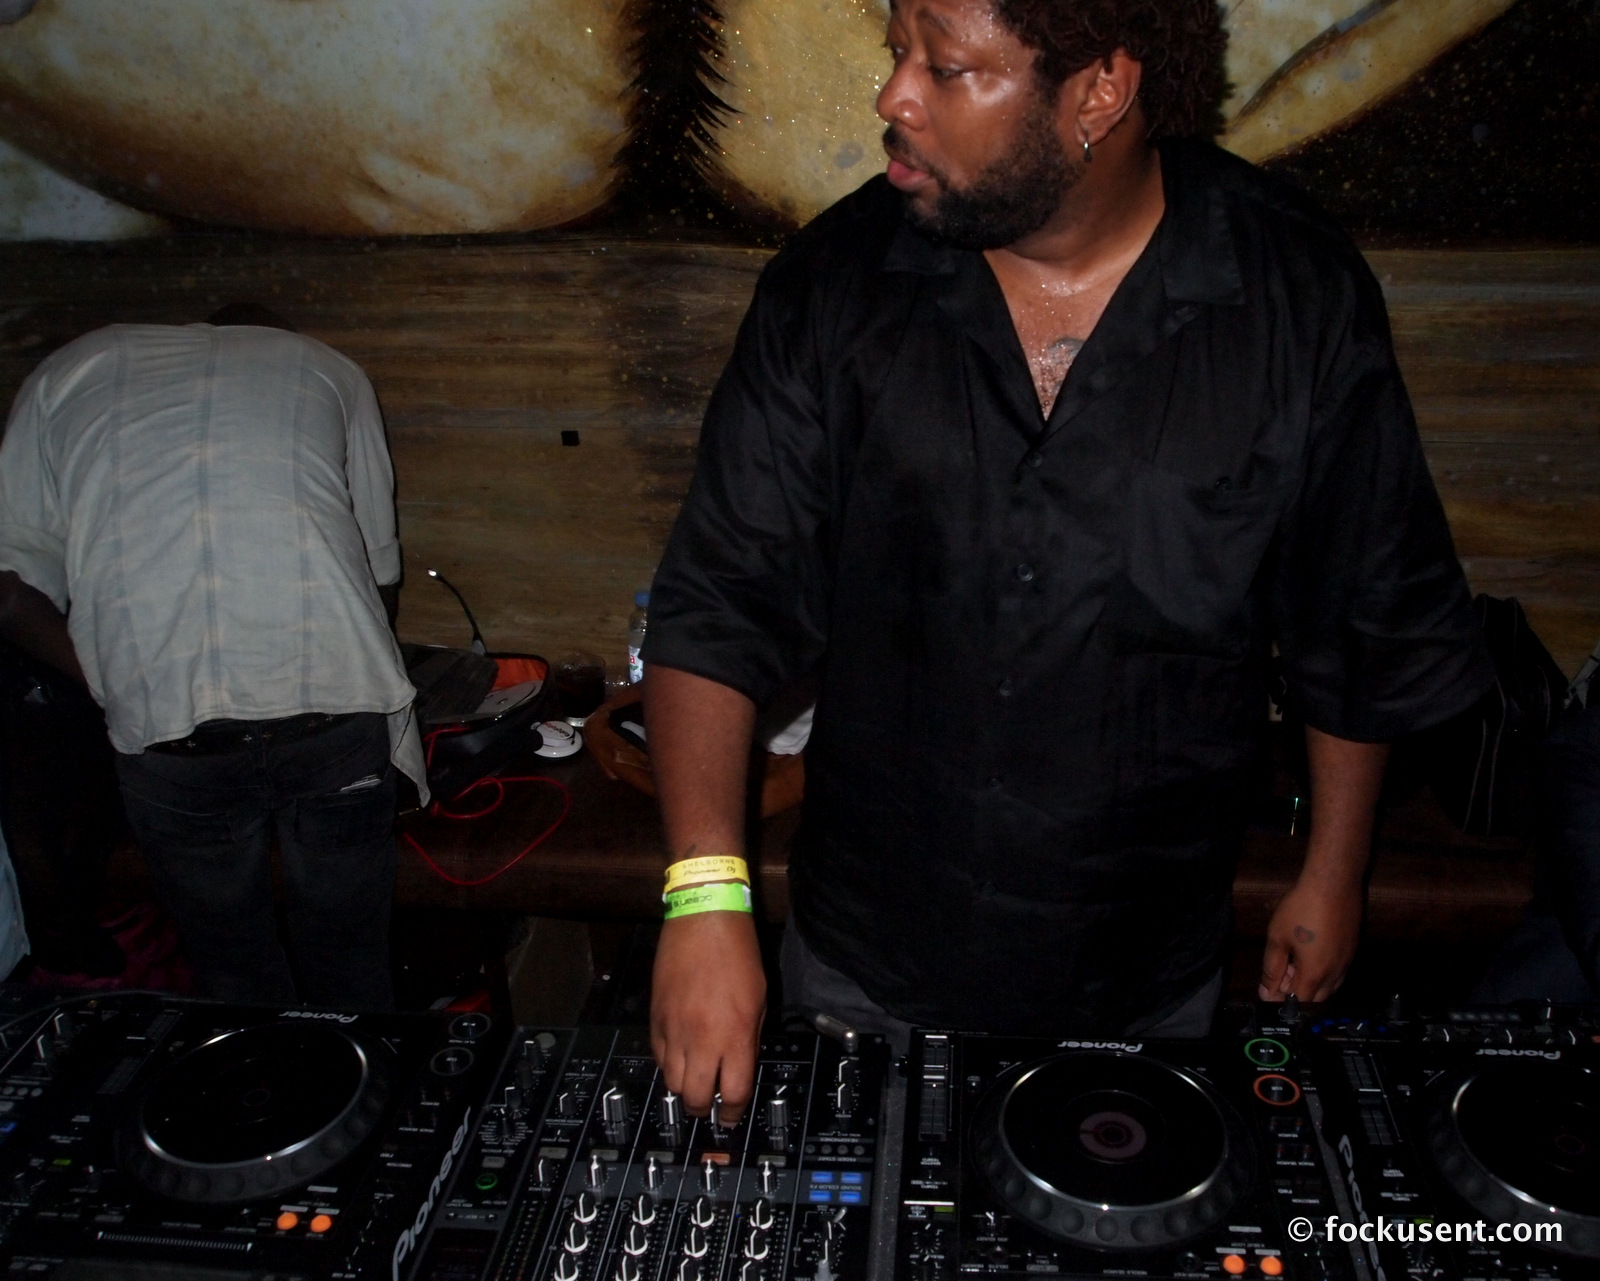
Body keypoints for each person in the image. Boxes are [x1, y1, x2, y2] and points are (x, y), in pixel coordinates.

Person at [642, 0, 1492, 1118]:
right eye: (898, 53)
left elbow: (1356, 619)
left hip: (1145, 977)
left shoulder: (1297, 296)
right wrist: (704, 899)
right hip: (865, 963)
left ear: (1100, 90)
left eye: (948, 69)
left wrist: (1333, 872)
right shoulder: (830, 285)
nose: (894, 97)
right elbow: (717, 602)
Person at [0, 304, 426, 1010]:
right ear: (277, 339)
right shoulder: (328, 368)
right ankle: (360, 1076)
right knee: (350, 963)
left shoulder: (68, 371)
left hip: (170, 736)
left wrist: (110, 681)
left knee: (233, 975)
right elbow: (380, 575)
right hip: (332, 714)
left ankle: (258, 1077)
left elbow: (11, 592)